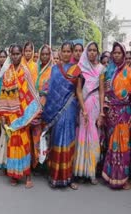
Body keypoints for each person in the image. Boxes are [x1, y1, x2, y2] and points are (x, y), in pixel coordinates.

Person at [0, 45, 41, 188]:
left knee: (24, 145)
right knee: (12, 145)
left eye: (17, 54)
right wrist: (3, 116)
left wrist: (30, 111)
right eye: (13, 54)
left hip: (23, 115)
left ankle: (27, 175)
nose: (15, 56)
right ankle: (14, 175)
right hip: (10, 115)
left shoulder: (25, 71)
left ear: (21, 54)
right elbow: (3, 95)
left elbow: (31, 92)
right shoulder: (7, 73)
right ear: (10, 54)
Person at [42, 42, 80, 190]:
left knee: (68, 141)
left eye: (68, 51)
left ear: (71, 53)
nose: (65, 53)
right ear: (60, 53)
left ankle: (68, 177)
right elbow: (50, 90)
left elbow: (78, 92)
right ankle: (55, 176)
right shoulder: (54, 70)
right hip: (55, 110)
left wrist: (82, 110)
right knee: (57, 140)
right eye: (63, 51)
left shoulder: (76, 70)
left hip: (70, 109)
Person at [74, 42, 105, 185]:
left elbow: (101, 91)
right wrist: (83, 109)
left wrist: (101, 112)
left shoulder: (101, 69)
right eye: (90, 50)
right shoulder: (81, 68)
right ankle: (81, 171)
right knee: (82, 135)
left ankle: (91, 171)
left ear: (97, 52)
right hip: (84, 106)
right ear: (87, 52)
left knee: (94, 137)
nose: (92, 53)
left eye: (94, 50)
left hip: (96, 106)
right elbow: (79, 90)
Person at [102, 42, 131, 190]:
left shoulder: (129, 72)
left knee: (124, 145)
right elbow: (105, 93)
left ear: (124, 55)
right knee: (112, 144)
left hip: (125, 113)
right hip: (112, 113)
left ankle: (123, 179)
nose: (117, 55)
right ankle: (112, 176)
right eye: (115, 53)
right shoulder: (109, 71)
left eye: (119, 53)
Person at [30, 44, 53, 169]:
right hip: (35, 107)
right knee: (36, 135)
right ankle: (36, 163)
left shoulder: (53, 70)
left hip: (48, 107)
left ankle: (46, 164)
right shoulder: (34, 69)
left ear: (50, 56)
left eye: (47, 54)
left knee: (47, 136)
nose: (44, 56)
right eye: (42, 54)